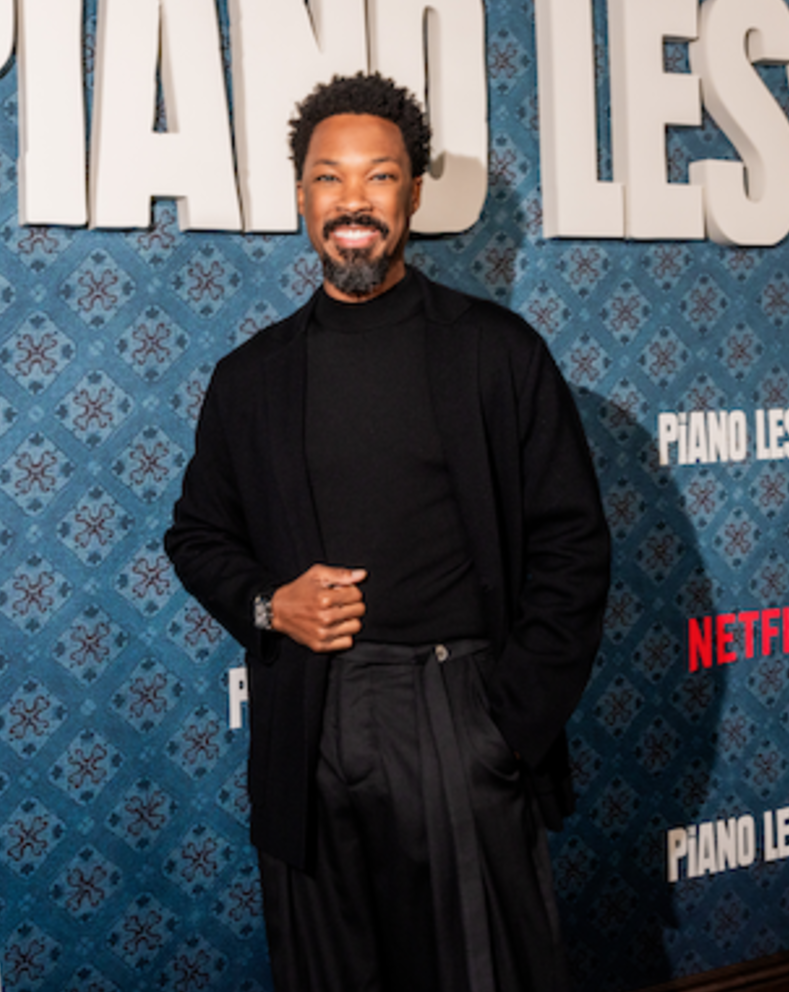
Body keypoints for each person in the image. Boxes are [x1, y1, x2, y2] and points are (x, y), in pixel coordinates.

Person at [165, 72, 610, 992]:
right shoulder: (250, 379)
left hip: (459, 716)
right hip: (307, 724)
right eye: (330, 179)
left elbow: (573, 546)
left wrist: (507, 728)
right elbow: (198, 533)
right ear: (301, 197)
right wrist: (268, 604)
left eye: (379, 177)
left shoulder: (496, 352)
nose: (353, 203)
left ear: (412, 194)